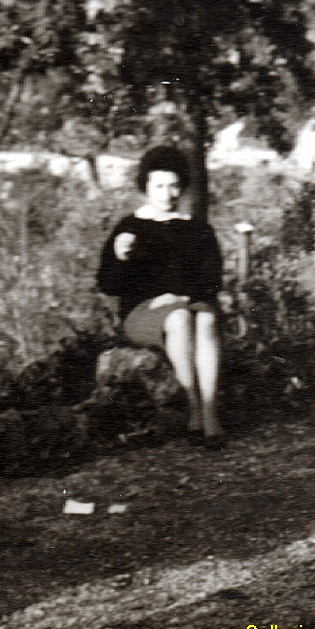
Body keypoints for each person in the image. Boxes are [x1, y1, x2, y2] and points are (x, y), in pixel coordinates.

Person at [97, 147, 226, 447]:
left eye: (173, 185)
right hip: (143, 311)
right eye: (159, 185)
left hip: (190, 302)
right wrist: (119, 256)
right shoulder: (130, 227)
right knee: (180, 318)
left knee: (205, 318)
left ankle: (209, 412)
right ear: (145, 186)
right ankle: (194, 407)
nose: (167, 194)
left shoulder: (197, 227)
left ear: (181, 186)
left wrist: (181, 294)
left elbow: (212, 279)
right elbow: (108, 284)